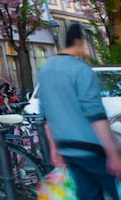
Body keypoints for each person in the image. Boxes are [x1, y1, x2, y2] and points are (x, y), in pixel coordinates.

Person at [39, 23, 121, 199]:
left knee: (89, 195)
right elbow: (95, 114)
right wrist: (113, 153)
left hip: (69, 149)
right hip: (93, 147)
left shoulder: (46, 70)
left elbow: (47, 115)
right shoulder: (81, 70)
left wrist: (55, 149)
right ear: (78, 41)